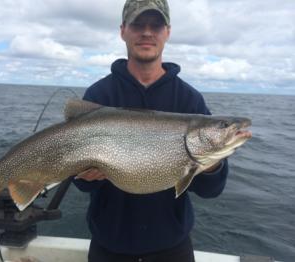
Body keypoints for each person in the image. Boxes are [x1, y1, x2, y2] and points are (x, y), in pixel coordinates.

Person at [73, 0, 229, 261]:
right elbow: (80, 184)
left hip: (172, 247)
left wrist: (212, 164)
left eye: (155, 25)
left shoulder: (190, 101)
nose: (147, 32)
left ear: (167, 32)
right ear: (123, 30)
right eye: (137, 24)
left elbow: (210, 191)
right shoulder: (98, 95)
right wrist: (83, 175)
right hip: (109, 246)